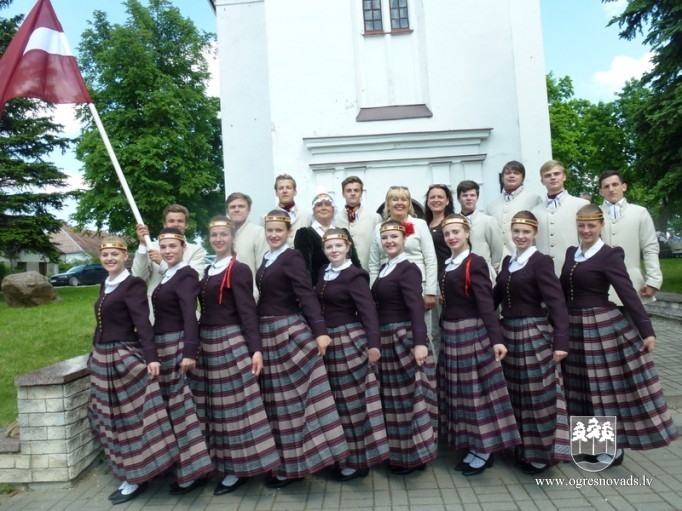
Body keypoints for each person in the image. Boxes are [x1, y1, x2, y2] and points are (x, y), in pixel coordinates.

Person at [560, 204, 678, 466]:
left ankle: (615, 447)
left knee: (602, 388)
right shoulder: (571, 253)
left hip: (600, 327)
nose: (586, 230)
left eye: (592, 225)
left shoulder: (609, 255)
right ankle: (593, 445)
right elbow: (561, 290)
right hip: (574, 327)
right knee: (581, 388)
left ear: (602, 226)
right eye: (582, 225)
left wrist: (646, 330)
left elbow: (627, 293)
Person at [256, 210, 349, 488]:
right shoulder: (267, 258)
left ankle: (300, 464)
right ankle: (288, 462)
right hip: (267, 333)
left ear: (287, 232)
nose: (273, 234)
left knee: (294, 404)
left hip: (286, 332)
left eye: (279, 230)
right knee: (278, 404)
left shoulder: (292, 256)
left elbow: (305, 294)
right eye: (270, 229)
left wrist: (319, 331)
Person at [190, 217, 280, 496]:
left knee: (234, 410)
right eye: (214, 235)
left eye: (223, 235)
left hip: (230, 341)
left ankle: (239, 469)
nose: (218, 239)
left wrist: (255, 349)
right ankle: (221, 463)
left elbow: (246, 311)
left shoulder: (239, 269)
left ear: (232, 239)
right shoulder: (207, 271)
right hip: (207, 343)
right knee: (215, 411)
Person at [88, 237, 179, 506]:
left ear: (125, 256)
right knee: (108, 418)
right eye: (105, 255)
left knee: (130, 418)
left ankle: (139, 476)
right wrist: (94, 353)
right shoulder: (106, 283)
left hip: (123, 357)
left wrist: (151, 357)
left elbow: (143, 322)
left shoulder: (132, 284)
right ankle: (129, 473)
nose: (110, 259)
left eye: (115, 254)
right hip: (102, 357)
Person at [437, 214, 521, 476]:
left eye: (456, 232)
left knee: (476, 395)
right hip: (452, 334)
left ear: (467, 233)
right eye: (447, 233)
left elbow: (486, 303)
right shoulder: (449, 263)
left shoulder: (476, 262)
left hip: (471, 332)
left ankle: (485, 450)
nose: (452, 237)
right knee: (460, 395)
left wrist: (496, 338)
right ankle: (473, 444)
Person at [493, 211, 571, 475]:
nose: (520, 236)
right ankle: (524, 450)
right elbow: (495, 296)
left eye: (526, 232)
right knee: (518, 395)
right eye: (516, 231)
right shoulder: (508, 261)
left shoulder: (541, 261)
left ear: (535, 233)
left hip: (533, 331)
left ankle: (542, 455)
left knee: (539, 395)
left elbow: (556, 301)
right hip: (510, 332)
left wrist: (560, 339)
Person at [315, 229, 390, 482]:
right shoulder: (323, 273)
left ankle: (359, 461)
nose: (334, 250)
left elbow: (368, 311)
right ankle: (341, 456)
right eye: (329, 247)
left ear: (347, 246)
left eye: (338, 245)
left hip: (349, 340)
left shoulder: (355, 275)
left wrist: (373, 344)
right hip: (329, 343)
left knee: (354, 404)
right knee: (336, 404)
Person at [371, 219, 438, 475]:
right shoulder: (385, 268)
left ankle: (415, 455)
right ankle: (398, 452)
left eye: (394, 237)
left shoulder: (408, 268)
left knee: (410, 398)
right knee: (393, 400)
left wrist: (420, 343)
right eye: (385, 237)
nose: (389, 241)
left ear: (404, 240)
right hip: (387, 338)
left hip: (404, 338)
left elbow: (415, 308)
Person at [151, 228, 214, 495]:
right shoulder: (167, 274)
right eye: (163, 247)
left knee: (184, 412)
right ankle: (186, 466)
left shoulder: (186, 273)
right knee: (176, 411)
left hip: (178, 345)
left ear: (183, 247)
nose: (167, 251)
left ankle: (192, 472)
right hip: (163, 344)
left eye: (172, 247)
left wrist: (189, 350)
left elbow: (190, 314)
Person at [368, 186, 438, 335]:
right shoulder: (378, 228)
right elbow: (373, 264)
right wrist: (374, 292)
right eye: (395, 199)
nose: (399, 203)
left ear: (409, 203)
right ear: (388, 203)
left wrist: (430, 291)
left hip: (418, 286)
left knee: (422, 330)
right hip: (387, 287)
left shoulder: (420, 224)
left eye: (404, 199)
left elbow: (430, 259)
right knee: (392, 330)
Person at [598, 170, 662, 304]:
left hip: (633, 283)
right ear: (600, 191)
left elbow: (650, 247)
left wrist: (654, 280)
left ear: (624, 187)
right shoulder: (594, 213)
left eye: (615, 184)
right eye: (606, 186)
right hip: (599, 285)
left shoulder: (640, 212)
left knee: (636, 324)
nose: (611, 189)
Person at [132, 204, 205, 319]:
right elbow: (138, 278)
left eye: (180, 221)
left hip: (184, 312)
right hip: (155, 313)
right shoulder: (152, 247)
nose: (176, 224)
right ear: (165, 224)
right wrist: (142, 244)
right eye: (171, 221)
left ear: (186, 225)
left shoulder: (195, 250)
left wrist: (162, 263)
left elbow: (194, 281)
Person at [531, 160, 589, 276]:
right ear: (542, 181)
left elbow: (589, 239)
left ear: (564, 177)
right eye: (547, 175)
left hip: (576, 270)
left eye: (556, 174)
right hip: (543, 273)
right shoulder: (535, 211)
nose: (552, 178)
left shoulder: (581, 205)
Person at [294, 192, 361, 286]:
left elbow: (354, 261)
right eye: (319, 205)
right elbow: (304, 268)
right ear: (313, 210)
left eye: (328, 204)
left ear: (333, 209)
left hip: (346, 287)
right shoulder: (305, 234)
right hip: (318, 289)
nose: (323, 207)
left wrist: (360, 283)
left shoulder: (343, 232)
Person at [423, 183, 455, 357]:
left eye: (440, 197)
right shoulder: (424, 224)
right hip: (430, 283)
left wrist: (446, 286)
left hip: (446, 281)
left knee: (446, 328)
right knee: (432, 330)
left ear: (447, 200)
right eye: (432, 197)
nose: (436, 200)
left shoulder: (451, 223)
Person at [486, 160, 543, 255]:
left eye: (516, 173)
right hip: (498, 260)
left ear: (523, 178)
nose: (511, 176)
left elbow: (539, 232)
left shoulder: (534, 199)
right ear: (502, 178)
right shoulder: (492, 203)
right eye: (508, 173)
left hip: (525, 258)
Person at [456, 180, 504, 280]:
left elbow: (497, 249)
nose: (469, 198)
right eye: (465, 195)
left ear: (477, 198)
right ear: (458, 198)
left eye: (472, 195)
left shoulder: (488, 221)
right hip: (459, 274)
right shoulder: (454, 222)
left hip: (483, 274)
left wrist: (491, 269)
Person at [334, 175, 382, 270]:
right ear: (343, 194)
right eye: (349, 191)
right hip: (343, 272)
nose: (353, 193)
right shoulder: (336, 219)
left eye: (356, 190)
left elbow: (379, 248)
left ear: (361, 193)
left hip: (367, 271)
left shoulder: (374, 218)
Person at [225, 192, 269, 294]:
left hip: (251, 296)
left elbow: (262, 271)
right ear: (227, 211)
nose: (236, 209)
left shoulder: (259, 233)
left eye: (241, 206)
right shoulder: (223, 236)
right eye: (232, 207)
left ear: (248, 210)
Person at [268, 173, 311, 245]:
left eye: (288, 187)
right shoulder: (267, 218)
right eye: (281, 188)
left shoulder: (307, 216)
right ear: (276, 193)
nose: (285, 191)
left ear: (295, 192)